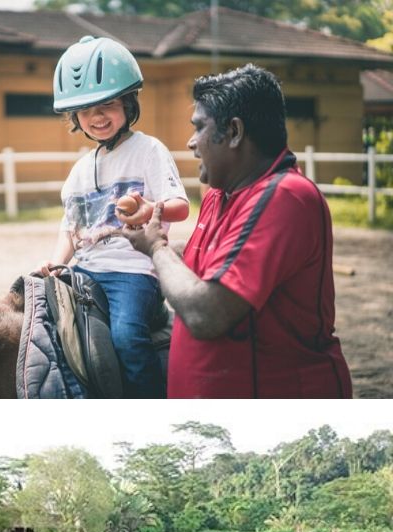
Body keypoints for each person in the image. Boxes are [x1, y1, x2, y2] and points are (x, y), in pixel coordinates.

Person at [122, 64, 352, 398]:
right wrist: (160, 244)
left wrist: (155, 248)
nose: (190, 142)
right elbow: (206, 259)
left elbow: (207, 314)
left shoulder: (284, 198)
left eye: (199, 127)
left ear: (234, 132)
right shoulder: (222, 192)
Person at [43, 36, 190, 398]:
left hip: (132, 270)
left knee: (126, 338)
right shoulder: (79, 169)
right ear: (74, 117)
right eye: (87, 109)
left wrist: (148, 211)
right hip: (86, 270)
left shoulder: (148, 150)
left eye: (108, 103)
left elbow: (180, 206)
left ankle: (149, 401)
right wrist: (56, 263)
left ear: (128, 102)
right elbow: (70, 227)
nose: (98, 116)